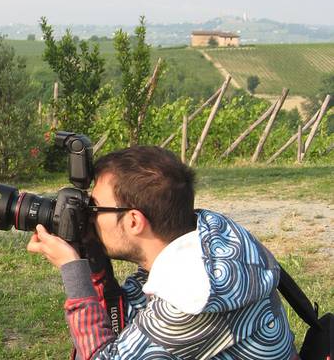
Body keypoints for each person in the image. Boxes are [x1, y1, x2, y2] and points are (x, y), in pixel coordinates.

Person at [27, 146, 298, 359]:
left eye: (95, 209)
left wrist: (73, 271)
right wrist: (92, 256)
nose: (89, 218)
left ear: (134, 221)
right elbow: (130, 318)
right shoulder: (205, 240)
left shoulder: (193, 297)